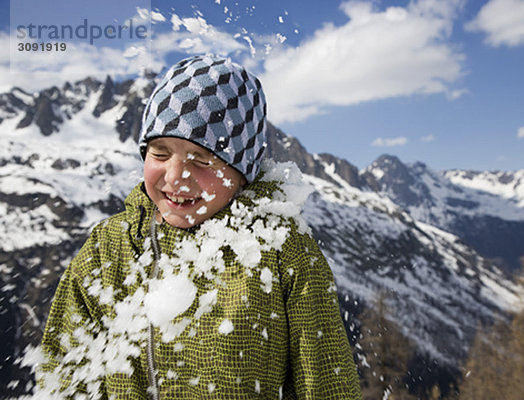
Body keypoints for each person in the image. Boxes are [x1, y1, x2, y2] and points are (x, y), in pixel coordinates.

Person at [33, 55, 362, 399]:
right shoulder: (108, 247)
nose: (176, 177)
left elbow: (328, 382)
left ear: (242, 172)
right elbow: (64, 376)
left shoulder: (282, 251)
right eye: (160, 154)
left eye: (203, 160)